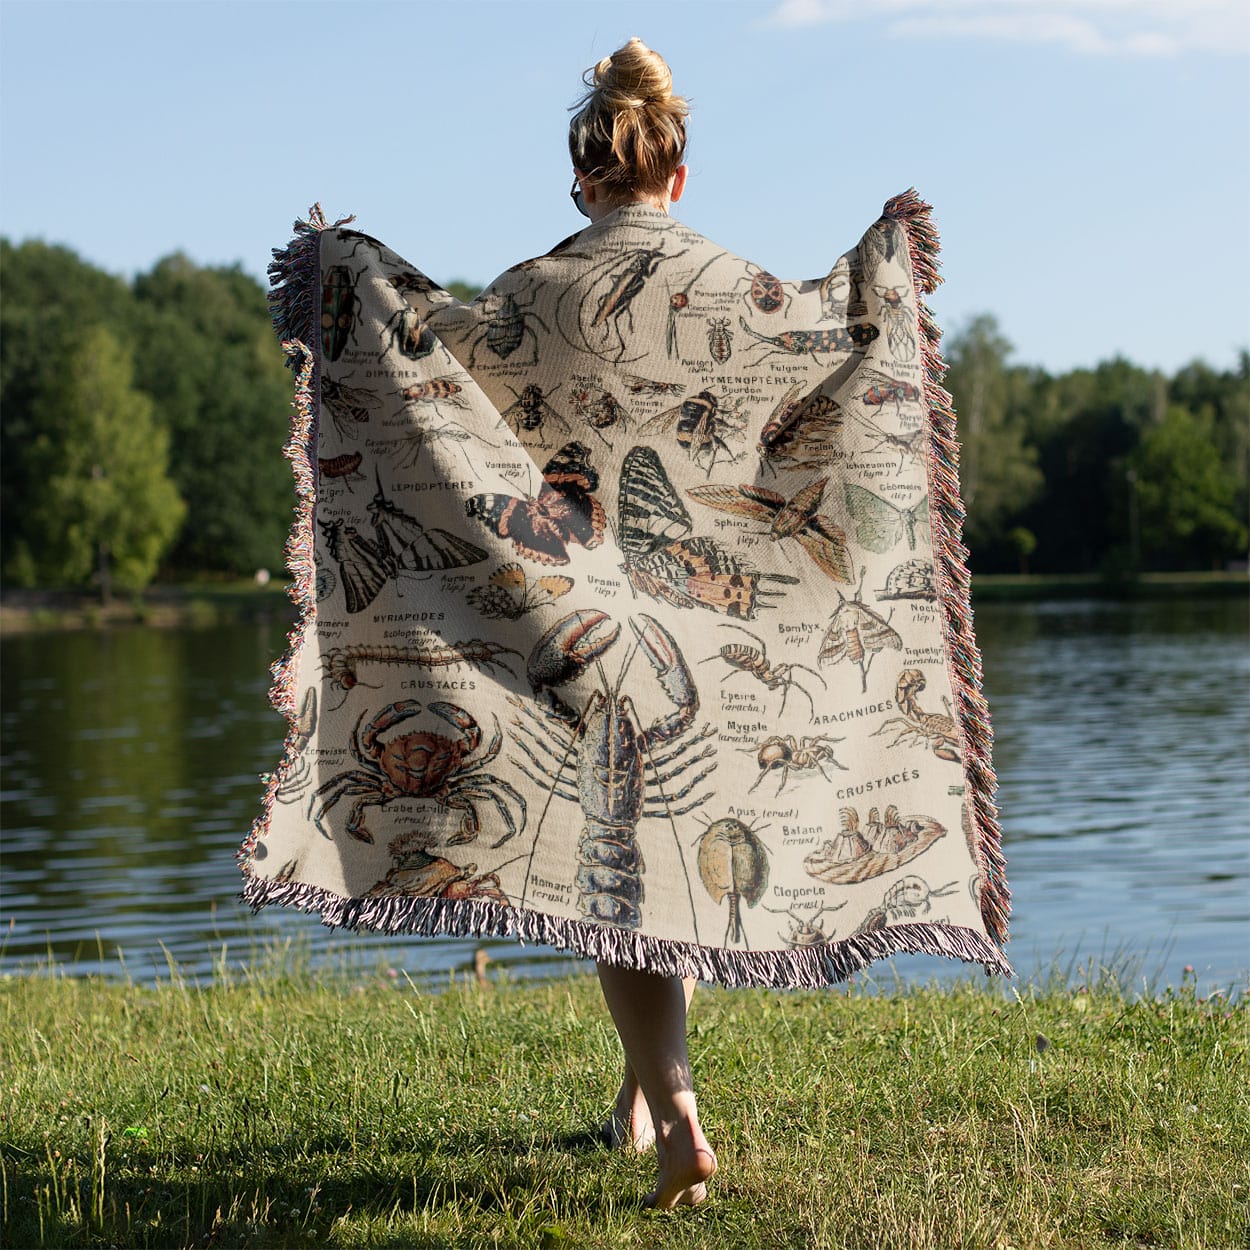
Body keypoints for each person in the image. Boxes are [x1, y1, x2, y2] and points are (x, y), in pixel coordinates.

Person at [560, 37, 717, 1212]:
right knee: (664, 864)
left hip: (584, 622)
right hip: (703, 621)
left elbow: (438, 389)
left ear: (582, 178)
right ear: (675, 172)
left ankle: (677, 1119)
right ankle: (631, 1102)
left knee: (615, 879)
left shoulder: (538, 286)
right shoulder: (728, 283)